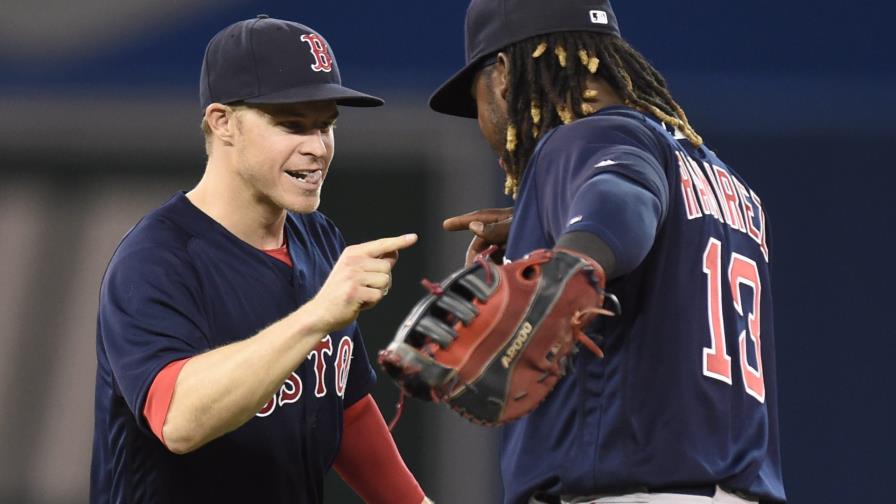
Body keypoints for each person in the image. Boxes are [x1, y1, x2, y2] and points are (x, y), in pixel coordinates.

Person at [431, 1, 785, 503]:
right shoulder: (726, 183)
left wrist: (560, 277)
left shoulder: (587, 135)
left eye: (478, 98)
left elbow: (620, 208)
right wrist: (542, 227)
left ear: (505, 75)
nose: (484, 123)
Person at [90, 15, 430, 504]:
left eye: (326, 126)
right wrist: (317, 316)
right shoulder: (155, 260)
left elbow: (346, 406)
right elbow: (178, 420)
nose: (316, 147)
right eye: (292, 124)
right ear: (222, 122)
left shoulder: (318, 238)